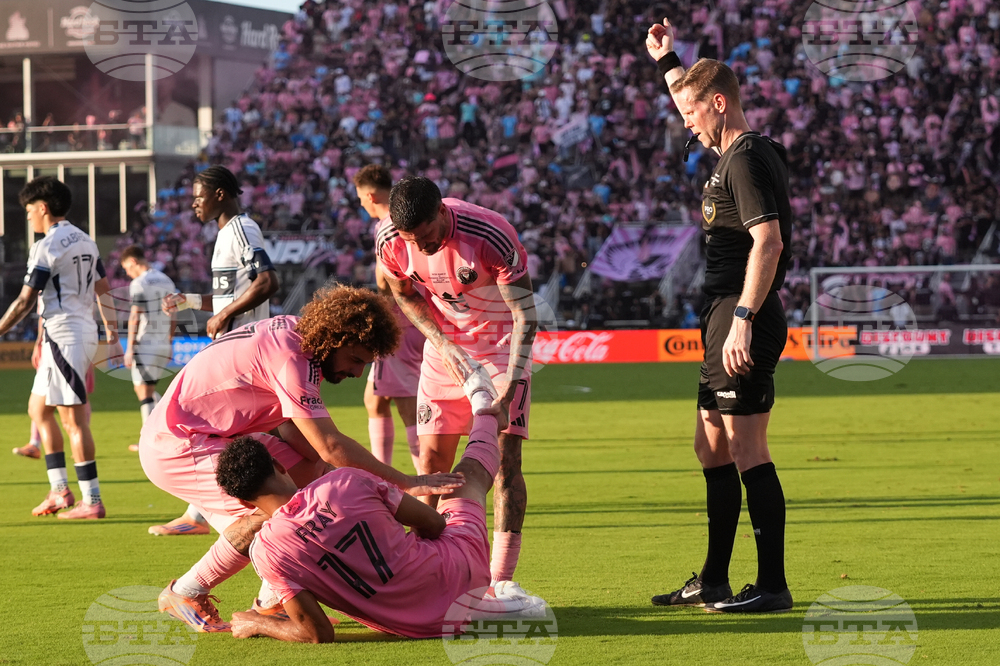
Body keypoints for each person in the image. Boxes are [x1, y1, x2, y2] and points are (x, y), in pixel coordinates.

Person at [143, 285, 465, 633]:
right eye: (356, 359)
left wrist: (327, 475)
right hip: (179, 444)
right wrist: (406, 482)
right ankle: (187, 591)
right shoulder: (292, 357)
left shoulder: (298, 340)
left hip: (215, 436)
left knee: (313, 488)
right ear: (335, 339)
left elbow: (300, 437)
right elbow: (329, 443)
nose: (358, 374)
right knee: (279, 512)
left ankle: (270, 605)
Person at [221, 366, 544, 642]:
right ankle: (488, 412)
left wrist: (256, 621)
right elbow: (434, 525)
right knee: (465, 478)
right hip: (460, 572)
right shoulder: (342, 481)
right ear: (280, 466)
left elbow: (317, 633)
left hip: (420, 627)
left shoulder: (265, 552)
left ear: (241, 500)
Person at [645, 19, 793, 613]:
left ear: (720, 104)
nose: (686, 126)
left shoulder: (745, 159)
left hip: (742, 314)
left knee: (747, 448)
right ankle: (713, 579)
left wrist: (745, 318)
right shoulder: (728, 147)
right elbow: (690, 92)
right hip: (721, 315)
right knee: (711, 448)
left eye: (692, 116)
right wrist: (668, 60)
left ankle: (773, 586)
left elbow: (770, 243)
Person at [376, 176, 537, 602]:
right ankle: (426, 573)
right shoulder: (392, 241)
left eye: (428, 236)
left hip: (502, 349)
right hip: (447, 351)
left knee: (505, 462)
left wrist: (512, 389)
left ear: (442, 213)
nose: (423, 247)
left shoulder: (490, 234)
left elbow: (525, 316)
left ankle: (500, 581)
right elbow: (403, 293)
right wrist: (440, 341)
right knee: (430, 464)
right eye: (415, 240)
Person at [153, 165, 280, 537]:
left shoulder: (242, 229)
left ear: (219, 194)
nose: (194, 203)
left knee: (199, 420)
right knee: (227, 430)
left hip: (245, 353)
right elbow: (231, 296)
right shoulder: (227, 234)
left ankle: (206, 515)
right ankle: (201, 514)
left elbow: (268, 281)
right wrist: (190, 302)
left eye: (199, 196)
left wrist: (225, 313)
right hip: (235, 350)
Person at [0, 176, 119, 519]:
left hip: (64, 334)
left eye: (28, 211)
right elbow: (103, 288)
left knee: (74, 422)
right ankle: (59, 491)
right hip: (73, 333)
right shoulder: (86, 241)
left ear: (42, 207)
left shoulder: (47, 245)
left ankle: (92, 501)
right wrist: (110, 329)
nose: (27, 217)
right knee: (38, 410)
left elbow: (25, 300)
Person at [353, 165, 425, 470]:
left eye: (360, 198)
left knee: (409, 408)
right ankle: (382, 474)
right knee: (375, 400)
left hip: (401, 321)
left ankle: (427, 482)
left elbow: (387, 280)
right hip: (408, 320)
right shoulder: (404, 218)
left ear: (370, 195)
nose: (360, 205)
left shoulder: (388, 224)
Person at [119, 245, 177, 453]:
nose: (127, 273)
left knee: (144, 391)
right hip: (162, 342)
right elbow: (174, 314)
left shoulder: (139, 283)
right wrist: (169, 341)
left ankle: (149, 441)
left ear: (133, 262)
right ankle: (165, 426)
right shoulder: (166, 280)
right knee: (146, 388)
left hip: (146, 342)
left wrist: (129, 347)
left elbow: (135, 316)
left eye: (127, 268)